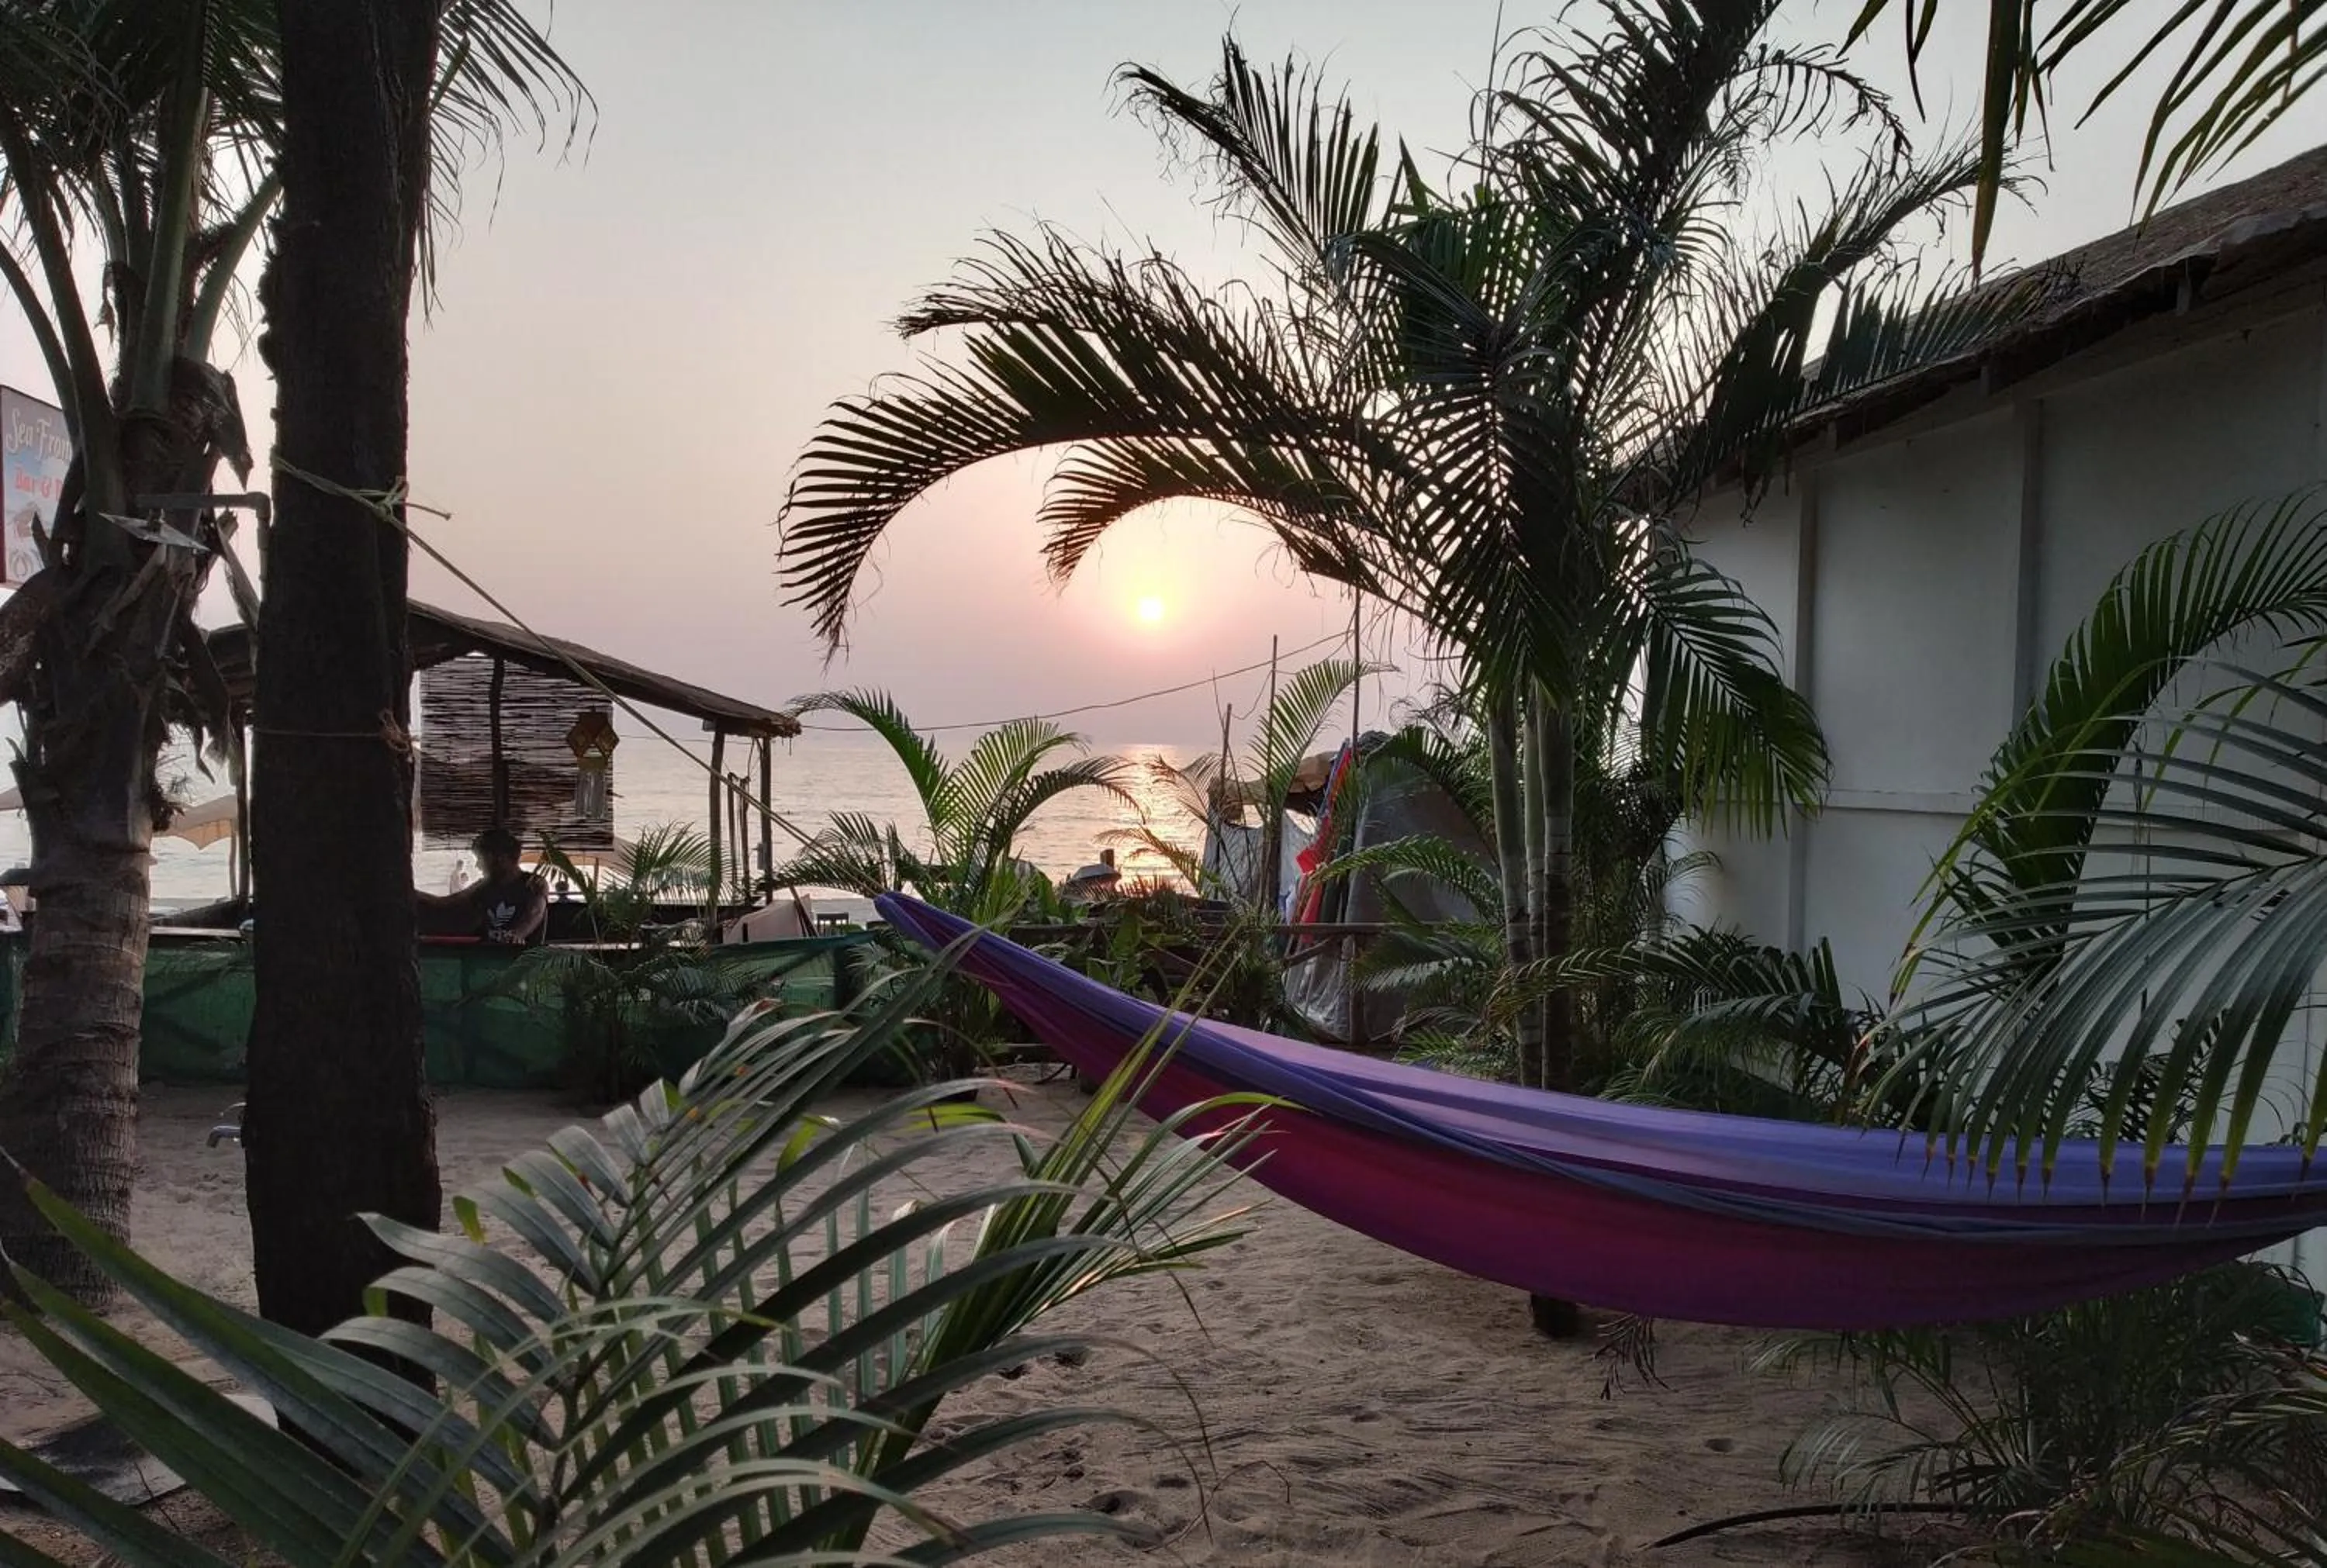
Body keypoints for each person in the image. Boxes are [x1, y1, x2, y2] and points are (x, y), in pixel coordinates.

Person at [417, 827, 548, 944]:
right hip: (488, 956)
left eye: (482, 858)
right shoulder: (484, 887)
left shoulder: (533, 883)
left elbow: (535, 912)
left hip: (524, 959)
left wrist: (517, 935)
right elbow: (445, 903)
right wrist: (412, 893)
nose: (478, 865)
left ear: (501, 858)